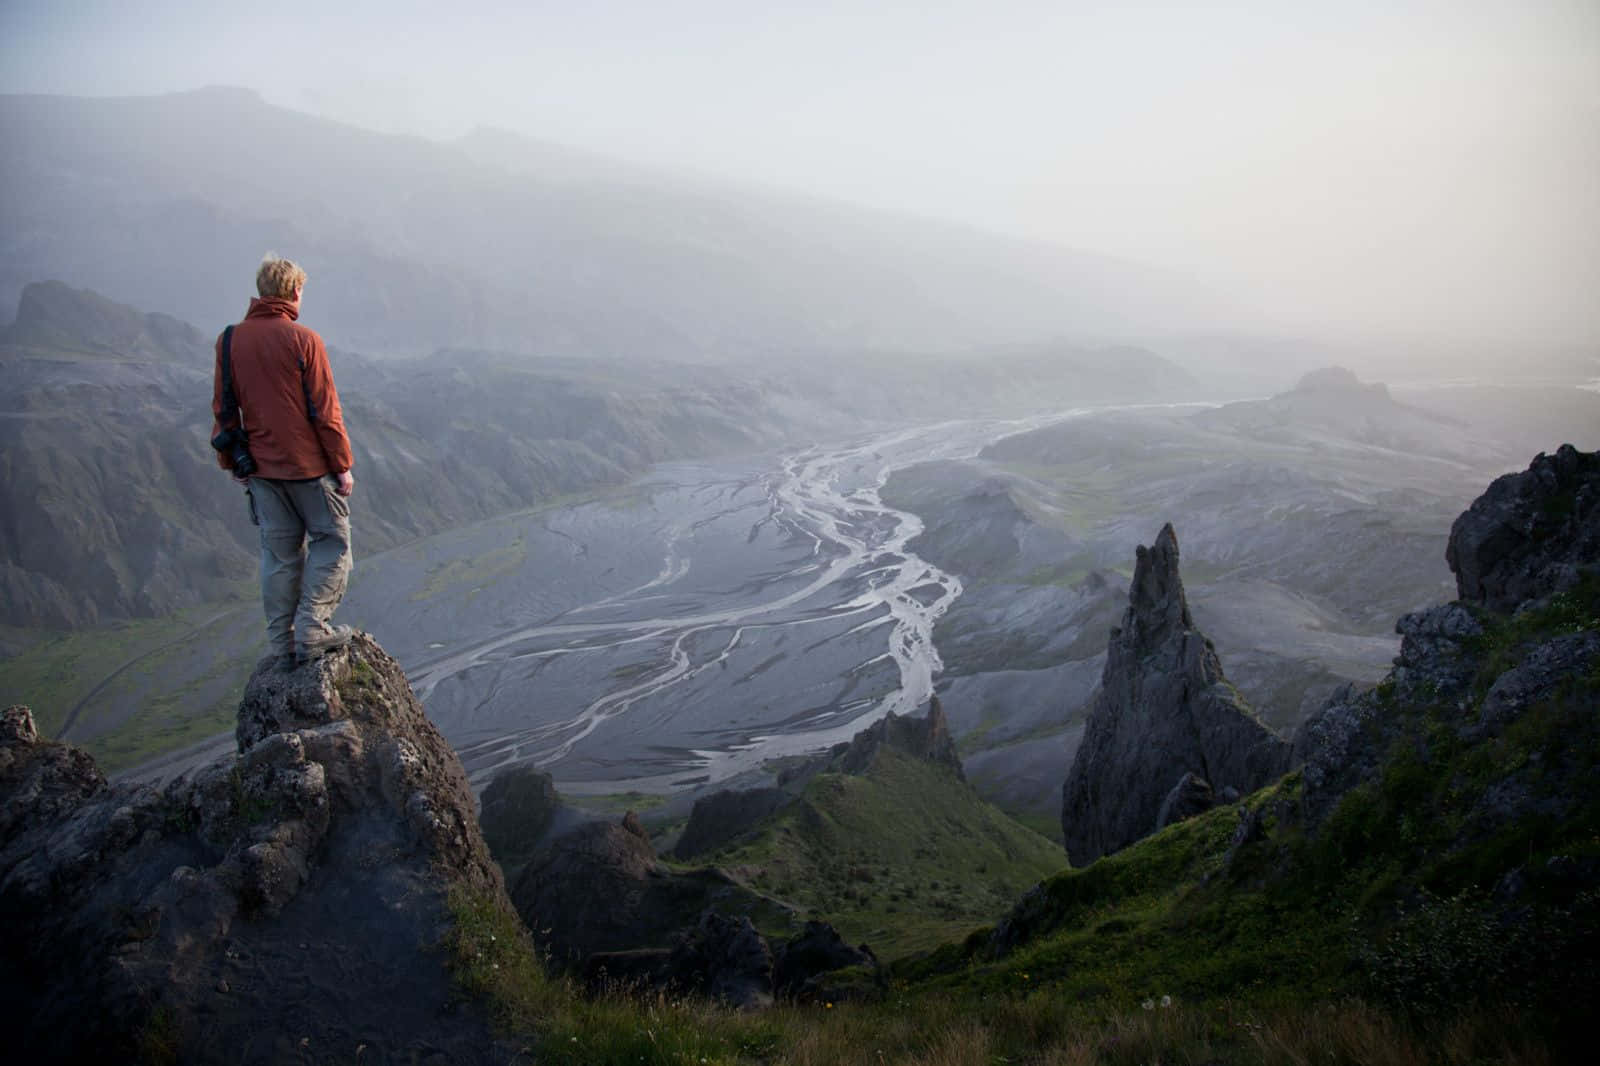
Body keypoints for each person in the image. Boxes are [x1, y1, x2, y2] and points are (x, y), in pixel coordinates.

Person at [212, 254, 356, 667]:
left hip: (260, 469)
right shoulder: (304, 340)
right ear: (293, 291)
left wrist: (231, 461)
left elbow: (224, 408)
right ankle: (312, 628)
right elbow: (325, 412)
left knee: (278, 555)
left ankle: (281, 644)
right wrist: (342, 465)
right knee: (332, 542)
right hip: (309, 469)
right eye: (301, 290)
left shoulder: (229, 340)